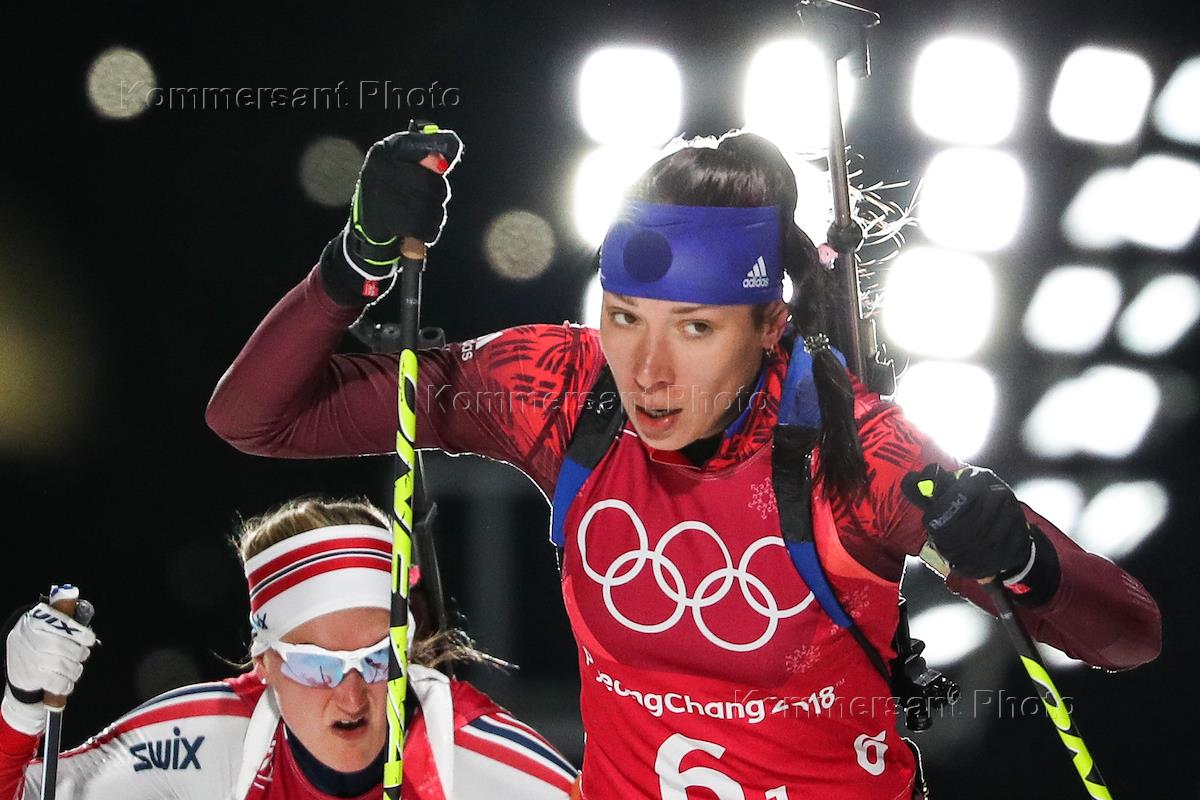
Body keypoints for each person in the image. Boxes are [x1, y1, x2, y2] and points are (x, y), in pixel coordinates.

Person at [205, 128, 1162, 799]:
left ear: (770, 324)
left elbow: (1132, 637)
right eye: (626, 318)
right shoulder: (562, 392)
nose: (649, 371)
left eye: (695, 329)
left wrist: (1025, 561)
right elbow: (256, 419)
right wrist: (357, 262)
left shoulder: (860, 452)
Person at [0, 498, 578, 799]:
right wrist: (21, 709)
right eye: (318, 666)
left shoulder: (470, 756)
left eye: (377, 659)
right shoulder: (207, 741)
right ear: (266, 663)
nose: (352, 696)